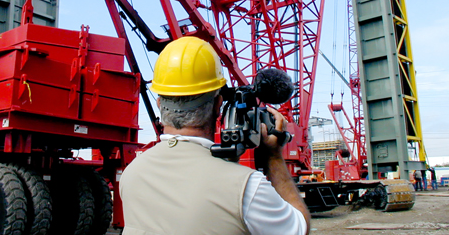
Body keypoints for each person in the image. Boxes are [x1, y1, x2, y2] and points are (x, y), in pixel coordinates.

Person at [120, 37, 310, 235]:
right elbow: (299, 228)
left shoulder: (131, 174)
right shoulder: (246, 188)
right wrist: (273, 156)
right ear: (219, 105)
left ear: (160, 104)